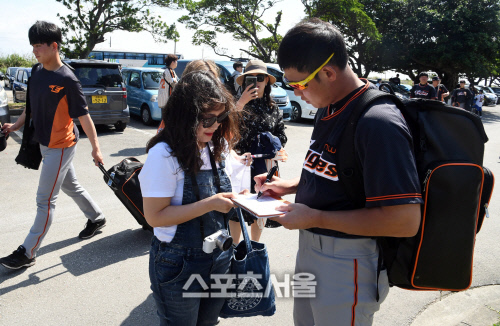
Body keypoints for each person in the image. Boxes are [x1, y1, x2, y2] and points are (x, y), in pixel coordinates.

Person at [256, 18, 422, 326]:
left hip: (348, 259)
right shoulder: (328, 105)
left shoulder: (378, 122)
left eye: (298, 85)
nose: (296, 94)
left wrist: (316, 217)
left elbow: (404, 220)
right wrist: (287, 186)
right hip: (313, 247)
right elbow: (333, 172)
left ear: (329, 73)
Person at [140, 71, 249, 325]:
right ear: (185, 117)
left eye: (220, 117)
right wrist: (211, 204)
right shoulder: (163, 155)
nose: (216, 126)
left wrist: (244, 198)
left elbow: (222, 191)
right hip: (179, 263)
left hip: (219, 258)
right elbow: (155, 217)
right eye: (207, 119)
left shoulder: (213, 147)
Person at [0, 21, 105, 270]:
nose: (34, 50)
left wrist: (96, 147)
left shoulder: (67, 79)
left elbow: (84, 116)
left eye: (38, 45)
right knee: (72, 185)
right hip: (43, 143)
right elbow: (31, 107)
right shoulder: (36, 72)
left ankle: (27, 252)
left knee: (45, 200)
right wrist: (15, 126)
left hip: (61, 145)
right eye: (32, 45)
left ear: (54, 45)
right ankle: (97, 218)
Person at [229, 59, 288, 243]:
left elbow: (281, 135)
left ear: (267, 82)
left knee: (261, 207)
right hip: (241, 163)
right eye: (251, 78)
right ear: (245, 81)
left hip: (265, 164)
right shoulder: (236, 104)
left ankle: (254, 248)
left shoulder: (273, 108)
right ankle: (235, 250)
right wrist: (241, 103)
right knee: (236, 208)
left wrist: (275, 145)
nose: (257, 82)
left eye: (261, 78)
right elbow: (225, 132)